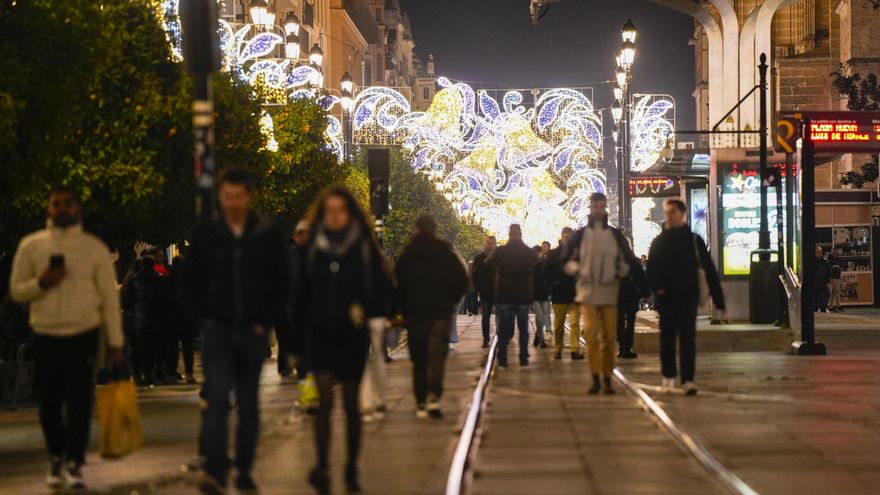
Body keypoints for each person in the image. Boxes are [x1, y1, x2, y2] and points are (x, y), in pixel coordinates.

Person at [180, 168, 290, 494]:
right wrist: (203, 317)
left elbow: (281, 280)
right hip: (218, 331)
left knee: (248, 403)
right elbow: (187, 281)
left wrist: (265, 320)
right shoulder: (206, 233)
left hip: (252, 332)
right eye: (227, 197)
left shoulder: (265, 233)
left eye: (238, 196)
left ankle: (243, 469)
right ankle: (216, 471)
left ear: (249, 196)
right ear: (220, 196)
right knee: (216, 398)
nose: (232, 203)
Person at [9, 188, 124, 489]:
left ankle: (75, 462)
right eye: (56, 203)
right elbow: (17, 290)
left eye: (67, 203)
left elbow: (109, 301)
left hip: (83, 333)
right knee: (48, 401)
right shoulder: (31, 246)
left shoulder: (93, 248)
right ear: (48, 208)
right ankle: (55, 457)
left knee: (79, 400)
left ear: (78, 208)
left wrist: (116, 342)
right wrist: (42, 282)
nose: (62, 209)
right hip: (46, 332)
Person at [293, 186, 391, 494]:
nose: (334, 216)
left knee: (351, 403)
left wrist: (377, 313)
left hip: (351, 333)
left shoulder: (362, 246)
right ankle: (322, 465)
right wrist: (296, 339)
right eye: (329, 210)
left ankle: (350, 468)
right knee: (324, 401)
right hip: (320, 333)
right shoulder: (313, 247)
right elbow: (300, 293)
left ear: (349, 214)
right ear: (323, 214)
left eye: (340, 210)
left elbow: (380, 287)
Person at [647, 199, 725, 396]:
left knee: (688, 339)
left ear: (682, 214)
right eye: (667, 212)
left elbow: (708, 269)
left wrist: (718, 298)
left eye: (673, 211)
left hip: (688, 297)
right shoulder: (659, 241)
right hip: (667, 298)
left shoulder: (693, 240)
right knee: (667, 339)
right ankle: (669, 376)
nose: (669, 215)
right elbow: (652, 269)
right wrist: (657, 289)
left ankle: (688, 379)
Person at [565, 193, 640, 395]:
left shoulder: (615, 235)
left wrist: (622, 272)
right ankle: (596, 376)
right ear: (590, 208)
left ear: (605, 207)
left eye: (602, 207)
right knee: (590, 334)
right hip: (588, 292)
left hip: (609, 292)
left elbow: (627, 259)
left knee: (609, 336)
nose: (599, 210)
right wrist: (577, 270)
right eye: (596, 207)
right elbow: (566, 259)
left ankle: (607, 377)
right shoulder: (580, 235)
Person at [395, 215, 468, 418]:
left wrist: (402, 308)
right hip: (440, 314)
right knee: (437, 357)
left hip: (416, 314)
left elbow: (398, 283)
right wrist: (450, 301)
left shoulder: (408, 254)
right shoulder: (446, 252)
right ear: (434, 229)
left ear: (416, 229)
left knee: (419, 360)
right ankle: (434, 397)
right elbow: (462, 279)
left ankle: (420, 402)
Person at [490, 224, 539, 368]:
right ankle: (523, 357)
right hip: (523, 294)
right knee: (523, 328)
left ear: (509, 234)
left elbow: (490, 263)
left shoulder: (501, 251)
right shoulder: (529, 252)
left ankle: (503, 358)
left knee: (504, 329)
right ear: (521, 234)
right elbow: (535, 265)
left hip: (505, 294)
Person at [121, 256, 164, 387]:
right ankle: (150, 373)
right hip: (156, 318)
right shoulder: (160, 279)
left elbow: (127, 301)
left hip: (138, 319)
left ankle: (139, 374)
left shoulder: (133, 280)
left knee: (137, 349)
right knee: (154, 347)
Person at [546, 227, 582, 360]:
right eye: (565, 236)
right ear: (561, 237)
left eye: (569, 237)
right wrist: (552, 285)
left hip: (574, 294)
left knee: (574, 323)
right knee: (559, 324)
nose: (567, 239)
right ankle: (558, 348)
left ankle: (575, 349)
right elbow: (547, 272)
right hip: (559, 293)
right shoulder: (553, 254)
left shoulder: (578, 253)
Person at [617, 242, 649, 359]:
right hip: (632, 295)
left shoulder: (614, 261)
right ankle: (628, 347)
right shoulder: (634, 261)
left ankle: (622, 347)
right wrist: (645, 293)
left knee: (619, 322)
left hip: (618, 296)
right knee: (630, 322)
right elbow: (641, 277)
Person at [471, 236, 497, 348]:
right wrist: (478, 288)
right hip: (485, 292)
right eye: (488, 243)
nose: (490, 245)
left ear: (495, 244)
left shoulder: (500, 257)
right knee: (485, 316)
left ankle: (502, 337)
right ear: (485, 244)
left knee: (501, 315)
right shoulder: (479, 258)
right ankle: (486, 339)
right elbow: (474, 275)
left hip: (498, 291)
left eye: (492, 243)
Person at [531, 243, 551, 348]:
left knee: (543, 317)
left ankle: (537, 336)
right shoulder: (530, 264)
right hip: (534, 295)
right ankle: (542, 340)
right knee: (540, 317)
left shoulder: (545, 263)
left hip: (544, 294)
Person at [814, 245, 832, 313]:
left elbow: (828, 273)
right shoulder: (811, 262)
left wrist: (829, 283)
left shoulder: (825, 262)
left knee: (823, 305)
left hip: (823, 286)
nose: (819, 253)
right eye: (817, 252)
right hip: (814, 287)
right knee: (814, 306)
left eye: (820, 252)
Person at [827, 247, 843, 312]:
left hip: (838, 277)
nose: (836, 253)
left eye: (837, 252)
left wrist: (841, 278)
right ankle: (837, 306)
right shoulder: (829, 260)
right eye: (834, 252)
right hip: (832, 278)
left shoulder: (839, 259)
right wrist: (830, 280)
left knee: (835, 293)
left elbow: (840, 269)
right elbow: (828, 270)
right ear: (832, 252)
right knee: (835, 292)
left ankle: (831, 307)